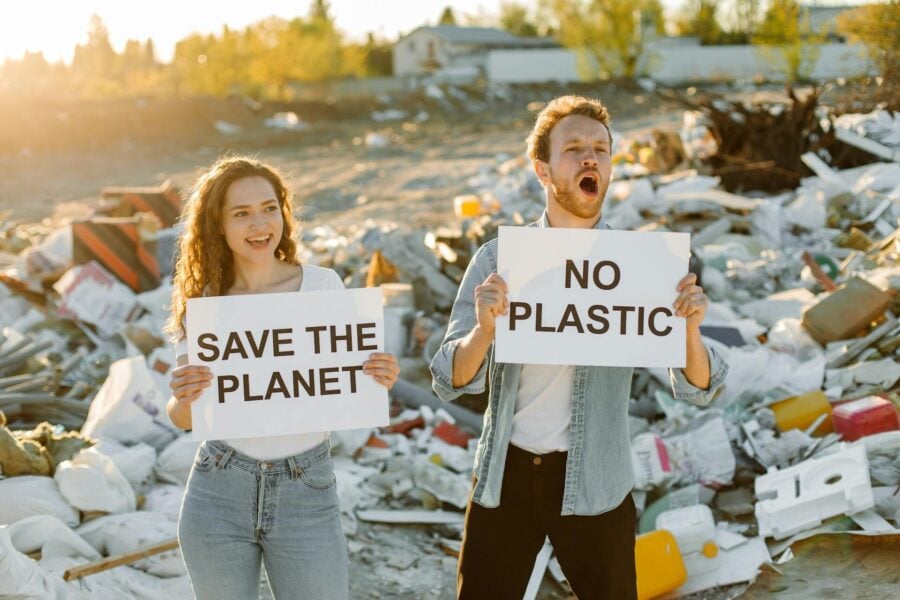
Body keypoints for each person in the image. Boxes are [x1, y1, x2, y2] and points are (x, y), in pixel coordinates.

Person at [430, 96, 728, 599]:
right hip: (507, 474)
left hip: (597, 478)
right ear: (542, 169)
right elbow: (448, 380)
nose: (590, 158)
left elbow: (700, 388)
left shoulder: (643, 264)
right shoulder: (500, 258)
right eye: (574, 149)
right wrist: (484, 330)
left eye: (601, 149)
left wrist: (690, 331)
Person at [165, 156, 400, 600]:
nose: (260, 223)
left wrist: (379, 375)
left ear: (283, 213)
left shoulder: (322, 287)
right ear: (217, 225)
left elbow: (351, 379)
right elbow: (182, 418)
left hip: (305, 488)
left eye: (269, 208)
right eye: (241, 213)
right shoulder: (207, 304)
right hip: (219, 489)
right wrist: (183, 397)